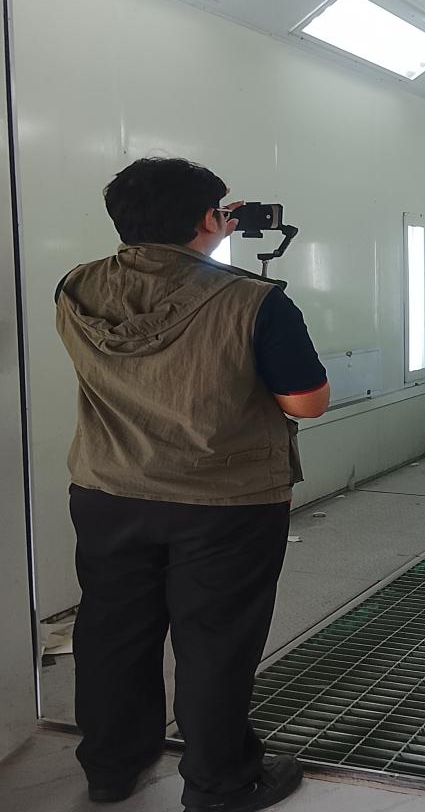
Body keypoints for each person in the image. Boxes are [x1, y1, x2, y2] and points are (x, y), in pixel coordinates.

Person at [55, 158, 330, 812]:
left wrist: (203, 233)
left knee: (112, 632)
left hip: (107, 491)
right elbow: (307, 402)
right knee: (214, 641)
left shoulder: (75, 287)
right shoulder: (253, 300)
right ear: (211, 218)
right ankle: (219, 782)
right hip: (225, 504)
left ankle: (111, 768)